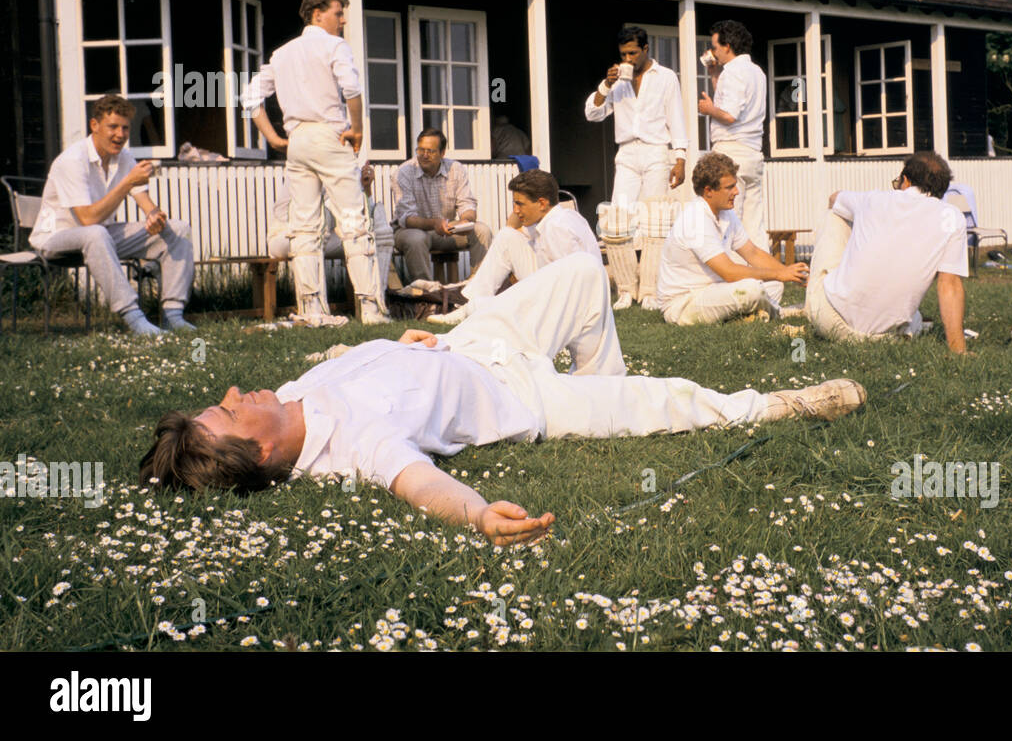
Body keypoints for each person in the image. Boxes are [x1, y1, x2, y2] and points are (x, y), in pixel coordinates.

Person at [138, 255, 866, 546]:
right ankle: (775, 404)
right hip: (522, 394)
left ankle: (602, 383)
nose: (235, 392)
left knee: (583, 270)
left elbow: (352, 362)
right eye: (230, 410)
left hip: (476, 340)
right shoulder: (354, 445)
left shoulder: (292, 396)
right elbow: (423, 482)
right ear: (260, 451)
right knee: (669, 400)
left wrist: (399, 348)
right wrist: (481, 512)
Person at [241, 0, 388, 324]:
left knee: (304, 227)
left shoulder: (281, 54)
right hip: (328, 133)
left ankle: (312, 310)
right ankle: (370, 308)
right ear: (317, 13)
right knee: (353, 220)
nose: (343, 20)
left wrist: (275, 138)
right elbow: (351, 89)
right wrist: (357, 129)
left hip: (298, 139)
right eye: (338, 13)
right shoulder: (334, 45)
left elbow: (249, 98)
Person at [29, 95, 195, 337]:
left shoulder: (124, 157)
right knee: (95, 232)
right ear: (94, 126)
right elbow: (87, 219)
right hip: (55, 238)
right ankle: (135, 319)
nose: (120, 134)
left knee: (178, 228)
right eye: (113, 127)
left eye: (125, 128)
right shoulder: (73, 160)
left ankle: (172, 315)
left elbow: (145, 202)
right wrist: (127, 182)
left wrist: (155, 216)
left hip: (100, 236)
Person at [803, 152, 968, 354]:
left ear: (905, 181)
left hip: (830, 322)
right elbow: (949, 285)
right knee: (914, 316)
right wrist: (959, 350)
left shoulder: (872, 199)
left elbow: (833, 198)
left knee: (833, 214)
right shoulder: (952, 218)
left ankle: (824, 294)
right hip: (886, 338)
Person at [584, 25, 688, 310]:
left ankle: (652, 290)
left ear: (645, 49)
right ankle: (626, 289)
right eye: (623, 54)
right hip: (627, 152)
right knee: (618, 221)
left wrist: (679, 157)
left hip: (656, 150)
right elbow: (592, 114)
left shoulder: (666, 77)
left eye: (632, 52)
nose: (628, 58)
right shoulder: (617, 81)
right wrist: (606, 85)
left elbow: (676, 117)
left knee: (655, 221)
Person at [657, 152, 807, 326]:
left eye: (735, 185)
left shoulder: (725, 212)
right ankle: (780, 314)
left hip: (714, 291)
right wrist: (780, 274)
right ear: (708, 191)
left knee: (775, 285)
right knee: (752, 289)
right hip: (684, 302)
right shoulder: (695, 219)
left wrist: (791, 274)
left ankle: (745, 317)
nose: (736, 192)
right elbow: (729, 272)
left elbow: (753, 253)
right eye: (729, 187)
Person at [442, 169, 600, 322]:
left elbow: (569, 286)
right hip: (555, 290)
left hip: (569, 304)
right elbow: (511, 229)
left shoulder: (556, 228)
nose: (516, 210)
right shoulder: (559, 217)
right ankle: (471, 303)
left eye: (520, 204)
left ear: (542, 203)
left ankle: (472, 307)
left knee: (497, 304)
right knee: (507, 236)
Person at [267, 163, 396, 310]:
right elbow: (282, 214)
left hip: (326, 237)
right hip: (286, 236)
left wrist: (365, 188)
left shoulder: (347, 169)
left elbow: (365, 217)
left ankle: (375, 304)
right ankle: (312, 308)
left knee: (378, 234)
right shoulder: (301, 167)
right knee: (320, 224)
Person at [697, 19, 768, 245]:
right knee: (754, 223)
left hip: (731, 151)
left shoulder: (734, 71)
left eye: (716, 47)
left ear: (727, 46)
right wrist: (714, 74)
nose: (714, 52)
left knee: (728, 219)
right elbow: (730, 100)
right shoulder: (757, 72)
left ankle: (731, 274)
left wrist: (708, 109)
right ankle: (767, 279)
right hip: (752, 151)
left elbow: (729, 115)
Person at [392, 129, 494, 282]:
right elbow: (407, 219)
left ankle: (477, 286)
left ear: (442, 153)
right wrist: (434, 223)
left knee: (482, 230)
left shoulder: (455, 168)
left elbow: (467, 203)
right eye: (420, 150)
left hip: (446, 228)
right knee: (416, 238)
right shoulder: (404, 172)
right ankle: (427, 295)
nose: (424, 155)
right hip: (409, 230)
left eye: (430, 151)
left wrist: (466, 220)